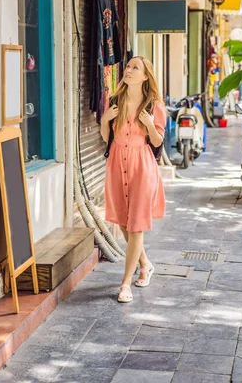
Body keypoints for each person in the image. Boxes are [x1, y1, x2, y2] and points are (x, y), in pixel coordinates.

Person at [100, 56, 167, 303]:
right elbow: (106, 136)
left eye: (134, 68)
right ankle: (145, 264)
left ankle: (125, 283)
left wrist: (149, 125)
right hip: (117, 163)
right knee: (125, 223)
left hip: (142, 165)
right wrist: (104, 120)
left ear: (145, 76)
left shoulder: (154, 106)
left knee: (136, 223)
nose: (128, 70)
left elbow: (158, 141)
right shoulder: (115, 101)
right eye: (127, 67)